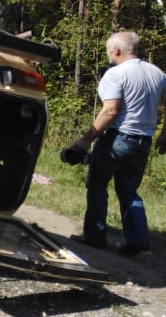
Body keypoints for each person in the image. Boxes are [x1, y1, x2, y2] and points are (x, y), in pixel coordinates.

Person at [66, 31, 166, 255]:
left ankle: (94, 236)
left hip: (117, 138)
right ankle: (138, 239)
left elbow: (110, 111)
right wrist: (164, 134)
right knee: (129, 190)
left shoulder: (116, 74)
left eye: (108, 49)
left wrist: (84, 141)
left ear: (117, 50)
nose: (107, 53)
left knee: (98, 185)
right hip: (143, 142)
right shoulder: (157, 74)